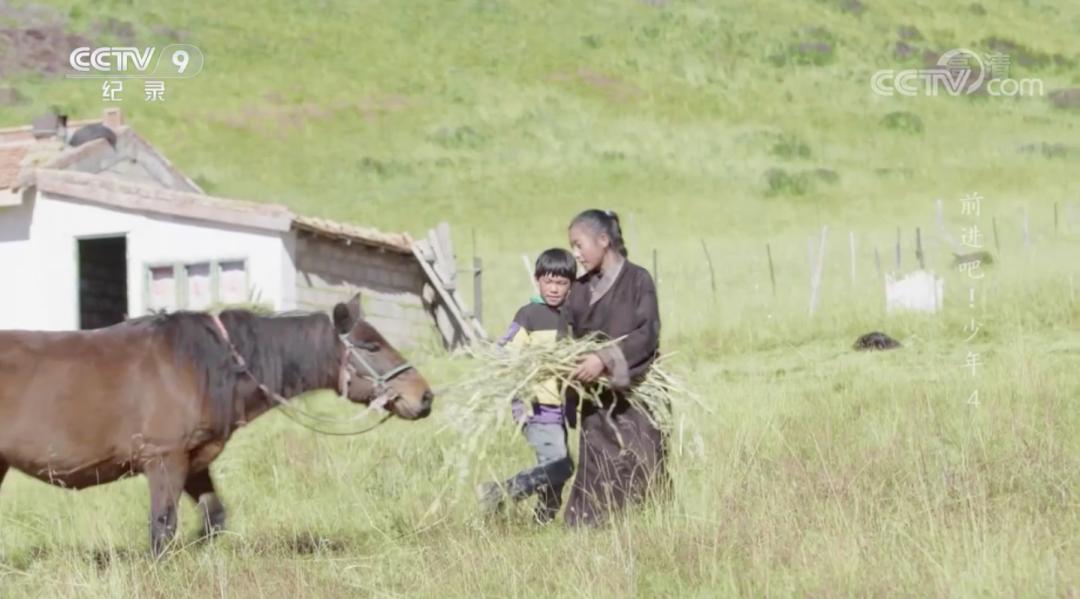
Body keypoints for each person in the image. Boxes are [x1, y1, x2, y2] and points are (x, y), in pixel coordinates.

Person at [562, 208, 668, 527]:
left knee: (643, 462)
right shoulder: (578, 291)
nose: (575, 254)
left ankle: (647, 529)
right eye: (572, 246)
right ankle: (590, 533)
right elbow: (564, 335)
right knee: (597, 468)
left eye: (579, 245)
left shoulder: (638, 280)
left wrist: (604, 359)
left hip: (637, 395)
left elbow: (647, 332)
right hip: (596, 400)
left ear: (604, 240)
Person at [477, 248, 578, 524]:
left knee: (556, 471)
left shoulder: (572, 317)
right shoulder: (530, 315)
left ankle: (541, 525)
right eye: (549, 282)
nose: (555, 289)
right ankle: (499, 491)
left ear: (572, 285)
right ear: (537, 280)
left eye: (561, 283)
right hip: (535, 408)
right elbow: (503, 352)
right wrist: (520, 393)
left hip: (560, 410)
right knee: (561, 465)